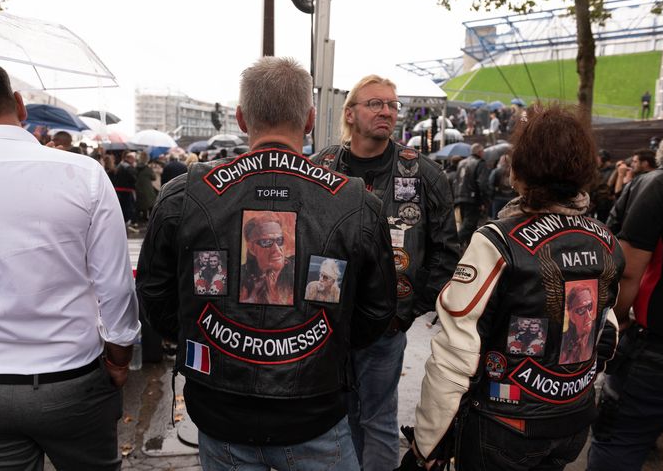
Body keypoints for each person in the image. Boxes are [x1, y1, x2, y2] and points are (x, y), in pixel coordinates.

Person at [136, 56, 396, 471]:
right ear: (310, 120)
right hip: (312, 414)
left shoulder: (185, 194)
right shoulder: (356, 201)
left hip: (227, 413)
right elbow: (377, 312)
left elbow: (155, 298)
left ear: (240, 118)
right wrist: (328, 341)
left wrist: (202, 330)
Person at [404, 103, 624, 471]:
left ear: (520, 167)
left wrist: (426, 444)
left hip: (506, 427)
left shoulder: (497, 241)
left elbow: (454, 355)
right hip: (572, 420)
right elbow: (607, 334)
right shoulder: (606, 240)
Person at [0, 59, 140, 470]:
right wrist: (120, 357)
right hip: (71, 377)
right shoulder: (83, 174)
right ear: (20, 106)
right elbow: (115, 285)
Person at [311, 74, 459, 471]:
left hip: (386, 327)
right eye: (375, 103)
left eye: (392, 105)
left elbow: (447, 250)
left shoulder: (424, 174)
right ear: (351, 113)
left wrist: (409, 312)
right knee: (334, 417)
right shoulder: (321, 166)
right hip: (329, 323)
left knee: (376, 418)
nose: (386, 111)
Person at [586, 131, 663, 471]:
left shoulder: (660, 186)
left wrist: (615, 321)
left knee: (618, 440)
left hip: (656, 349)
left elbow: (629, 271)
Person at [239, 212, 295, 305]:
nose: (276, 250)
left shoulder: (296, 269)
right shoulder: (241, 276)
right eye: (266, 242)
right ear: (251, 248)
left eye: (279, 240)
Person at [606, 149, 658, 234]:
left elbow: (619, 197)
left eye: (635, 162)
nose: (632, 164)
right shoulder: (651, 177)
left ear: (645, 163)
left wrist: (621, 175)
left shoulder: (643, 179)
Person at [454, 142, 489, 249]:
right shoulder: (480, 163)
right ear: (479, 152)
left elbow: (456, 181)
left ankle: (469, 249)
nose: (483, 153)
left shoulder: (461, 163)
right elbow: (482, 183)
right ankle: (453, 244)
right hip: (472, 198)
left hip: (460, 196)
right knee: (468, 225)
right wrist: (484, 201)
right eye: (482, 151)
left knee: (468, 225)